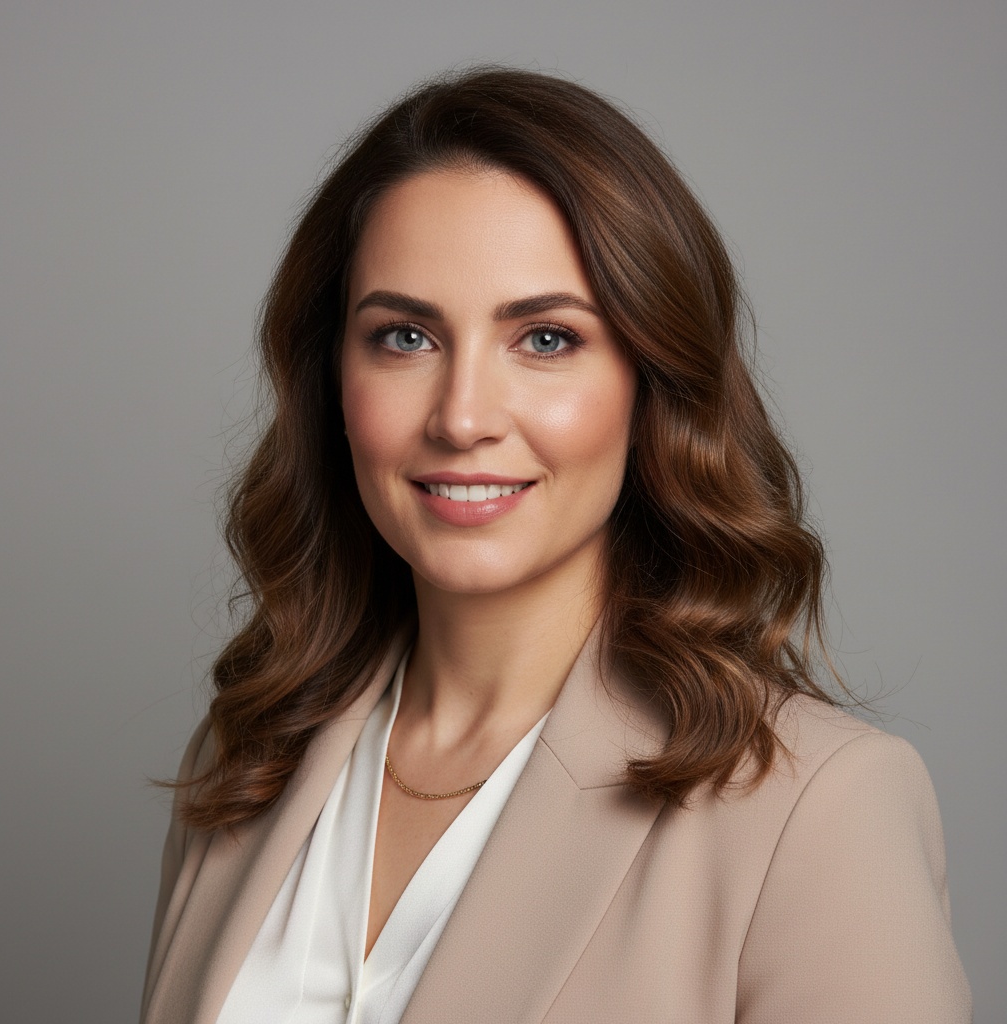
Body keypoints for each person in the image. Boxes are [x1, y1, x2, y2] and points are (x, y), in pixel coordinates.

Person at [140, 67, 971, 1024]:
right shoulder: (247, 763)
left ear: (652, 383)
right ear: (331, 378)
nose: (462, 419)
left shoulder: (817, 808)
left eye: (543, 340)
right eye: (405, 336)